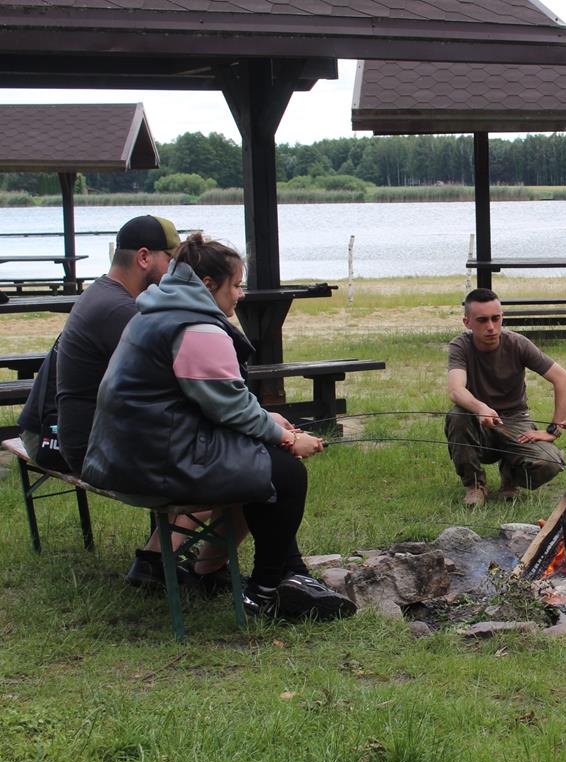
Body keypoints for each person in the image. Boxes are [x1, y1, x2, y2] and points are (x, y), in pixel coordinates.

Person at [82, 233, 354, 621]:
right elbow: (231, 408)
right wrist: (287, 437)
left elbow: (215, 401)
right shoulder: (197, 328)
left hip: (128, 454)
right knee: (286, 473)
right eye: (237, 285)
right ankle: (266, 590)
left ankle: (284, 575)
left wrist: (268, 421)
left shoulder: (157, 310)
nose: (241, 294)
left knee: (264, 461)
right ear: (208, 285)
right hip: (155, 465)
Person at [18, 215, 179, 471]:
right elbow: (175, 375)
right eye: (171, 260)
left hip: (53, 430)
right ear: (144, 257)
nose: (175, 271)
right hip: (60, 441)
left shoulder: (103, 291)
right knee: (210, 463)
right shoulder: (118, 309)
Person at [445, 288, 566, 505]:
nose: (490, 327)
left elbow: (564, 381)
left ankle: (511, 477)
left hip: (515, 420)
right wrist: (480, 408)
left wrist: (553, 430)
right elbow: (455, 389)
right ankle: (475, 485)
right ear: (467, 322)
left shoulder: (518, 344)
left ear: (502, 317)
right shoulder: (460, 346)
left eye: (496, 318)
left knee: (551, 462)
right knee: (458, 416)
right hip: (478, 423)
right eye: (482, 320)